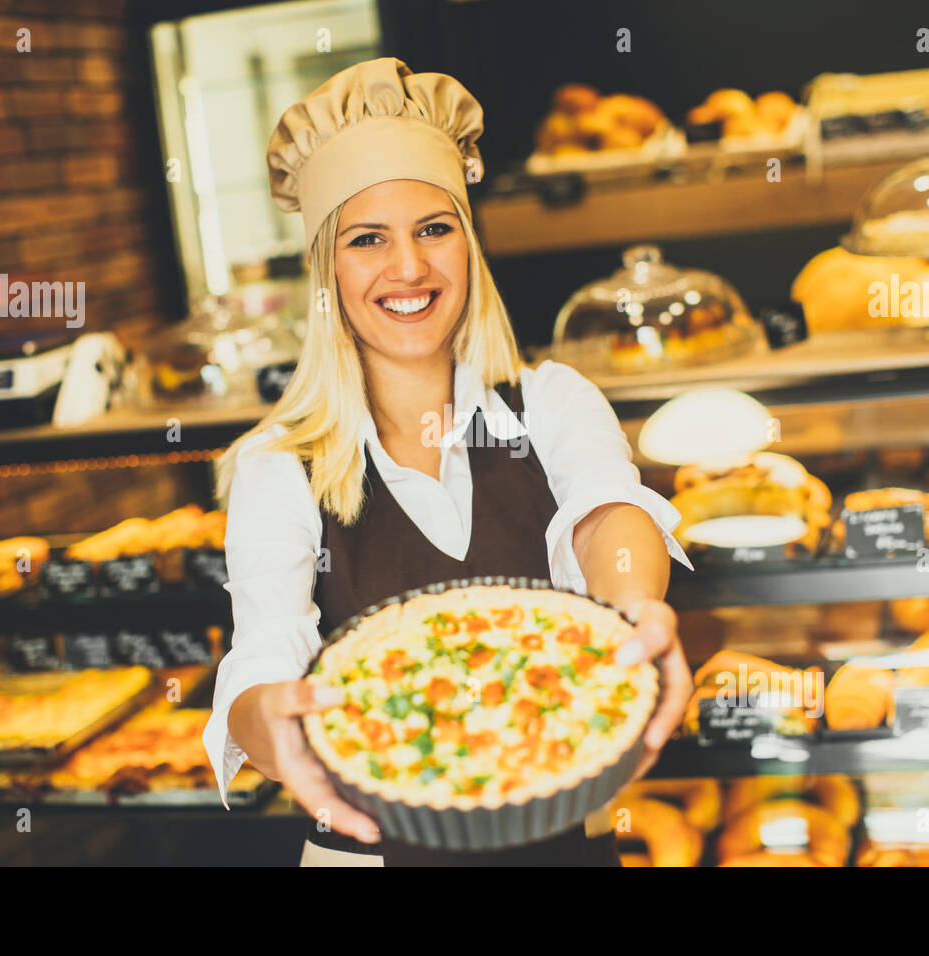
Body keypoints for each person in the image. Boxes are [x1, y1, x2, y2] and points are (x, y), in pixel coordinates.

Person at [204, 57, 694, 866]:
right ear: (326, 268)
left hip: (558, 839)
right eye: (368, 240)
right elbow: (263, 651)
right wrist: (269, 720)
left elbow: (606, 511)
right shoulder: (278, 464)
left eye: (435, 228)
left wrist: (634, 609)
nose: (408, 269)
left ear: (469, 244)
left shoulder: (551, 402)